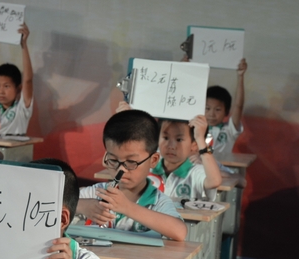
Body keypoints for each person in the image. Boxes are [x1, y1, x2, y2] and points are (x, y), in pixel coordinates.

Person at [76, 109, 187, 241]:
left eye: (131, 162)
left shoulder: (157, 201)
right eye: (113, 160)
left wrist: (127, 207)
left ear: (153, 160)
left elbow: (180, 232)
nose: (121, 169)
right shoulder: (97, 193)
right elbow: (57, 204)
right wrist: (82, 206)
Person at [149, 115, 222, 201]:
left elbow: (214, 181)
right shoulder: (148, 167)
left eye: (179, 140)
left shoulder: (195, 172)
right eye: (166, 138)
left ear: (194, 145)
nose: (171, 146)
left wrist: (200, 139)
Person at [205, 58, 247, 154]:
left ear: (226, 112)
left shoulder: (229, 130)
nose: (211, 114)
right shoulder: (195, 129)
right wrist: (183, 67)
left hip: (221, 164)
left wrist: (240, 76)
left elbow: (238, 106)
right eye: (207, 108)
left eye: (217, 110)